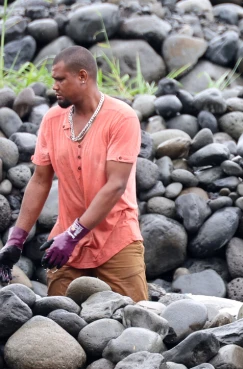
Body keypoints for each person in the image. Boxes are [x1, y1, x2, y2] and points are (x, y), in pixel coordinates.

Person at [0, 46, 148, 301]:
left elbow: (116, 185)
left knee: (136, 324)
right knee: (58, 319)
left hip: (116, 238)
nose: (53, 87)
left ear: (82, 76)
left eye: (60, 79)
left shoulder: (121, 118)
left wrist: (73, 235)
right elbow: (40, 180)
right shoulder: (52, 120)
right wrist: (17, 238)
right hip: (65, 244)